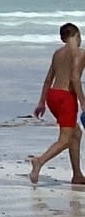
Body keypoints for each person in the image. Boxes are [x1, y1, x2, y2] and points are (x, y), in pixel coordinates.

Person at [32, 23, 85, 185]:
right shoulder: (80, 53)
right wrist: (83, 102)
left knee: (76, 134)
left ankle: (77, 175)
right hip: (66, 97)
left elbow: (48, 79)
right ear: (77, 35)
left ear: (63, 38)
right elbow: (75, 78)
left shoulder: (58, 53)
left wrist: (41, 102)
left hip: (53, 96)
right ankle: (39, 161)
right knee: (65, 139)